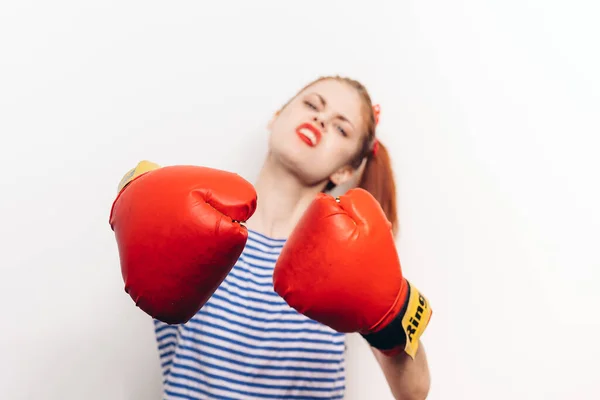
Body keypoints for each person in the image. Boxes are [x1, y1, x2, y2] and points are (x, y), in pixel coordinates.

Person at [152, 76, 431, 399]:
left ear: (343, 172)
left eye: (341, 128)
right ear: (276, 117)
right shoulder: (200, 224)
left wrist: (389, 314)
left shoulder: (346, 252)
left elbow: (415, 392)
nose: (321, 120)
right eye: (312, 105)